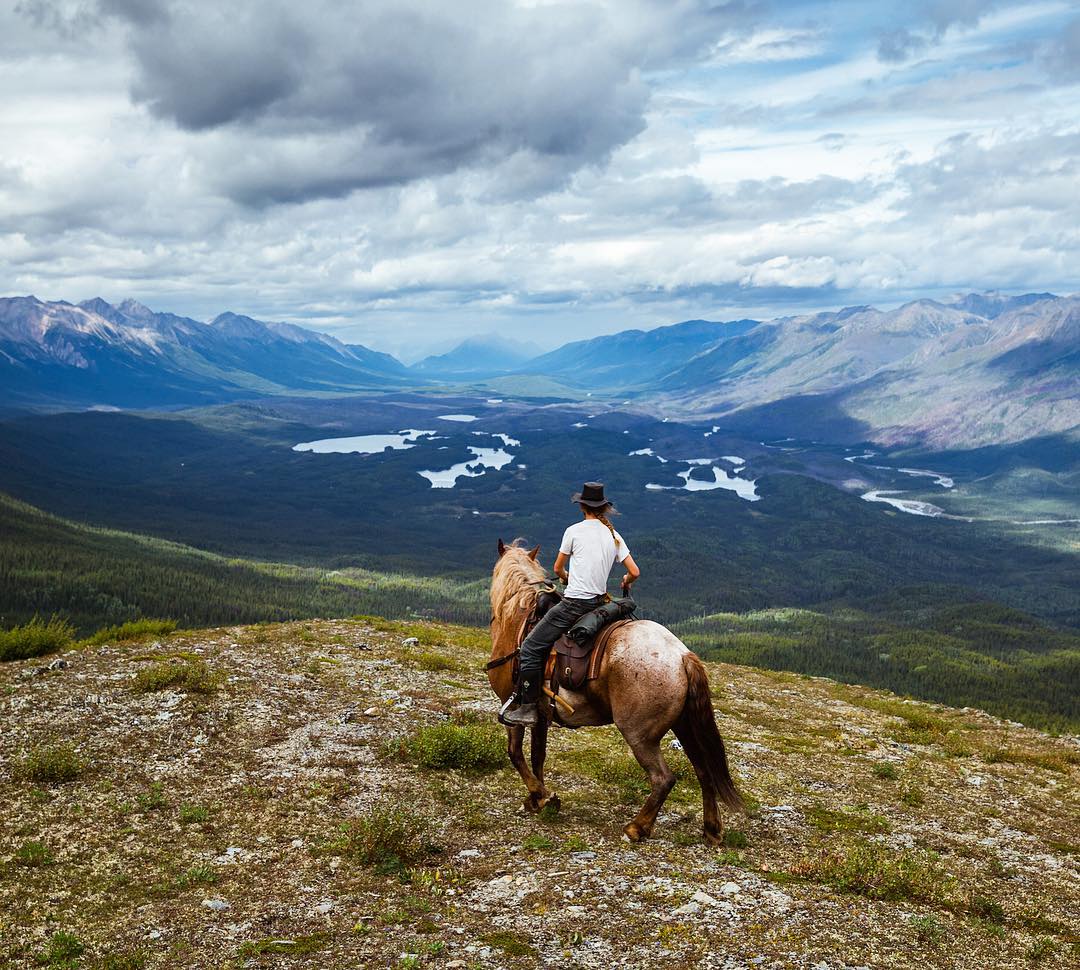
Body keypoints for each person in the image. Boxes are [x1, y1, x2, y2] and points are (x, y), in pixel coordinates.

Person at [500, 481, 641, 726]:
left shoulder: (574, 531)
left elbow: (557, 568)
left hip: (574, 604)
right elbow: (635, 572)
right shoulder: (614, 536)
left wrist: (567, 578)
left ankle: (528, 707)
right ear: (604, 508)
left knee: (532, 647)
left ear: (582, 506)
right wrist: (626, 581)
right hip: (600, 603)